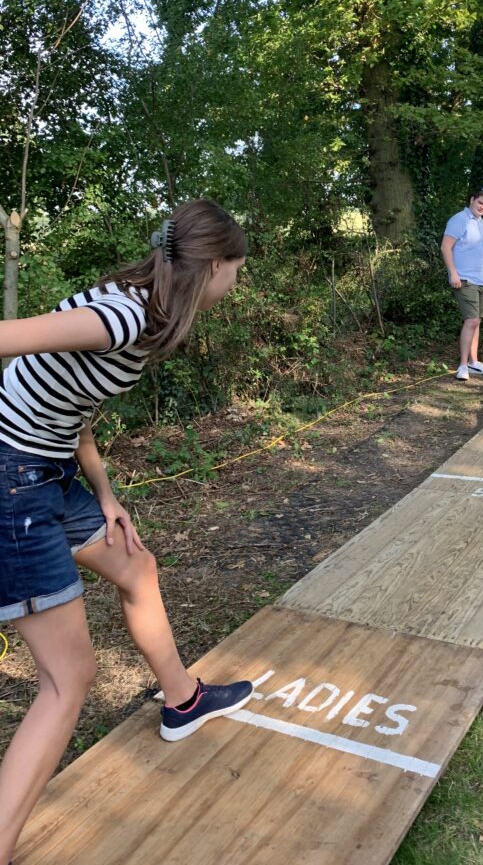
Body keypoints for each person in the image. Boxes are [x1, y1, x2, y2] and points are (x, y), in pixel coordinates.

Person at [0, 198, 254, 864]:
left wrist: (106, 495)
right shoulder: (122, 313)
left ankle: (183, 701)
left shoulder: (149, 308)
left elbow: (73, 404)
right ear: (213, 265)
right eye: (237, 269)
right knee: (68, 679)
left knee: (136, 568)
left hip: (48, 472)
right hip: (11, 479)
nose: (239, 282)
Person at [441, 186, 483, 380]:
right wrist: (453, 274)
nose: (482, 207)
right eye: (480, 202)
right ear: (472, 200)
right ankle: (463, 366)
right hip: (465, 279)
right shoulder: (460, 220)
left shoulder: (480, 222)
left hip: (482, 280)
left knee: (477, 321)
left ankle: (474, 362)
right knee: (471, 320)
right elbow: (446, 247)